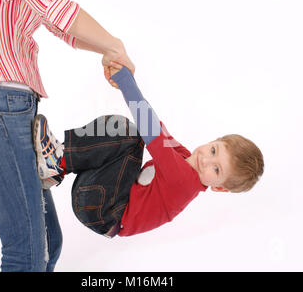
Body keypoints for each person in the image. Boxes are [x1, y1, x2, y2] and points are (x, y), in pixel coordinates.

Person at [0, 0, 134, 272]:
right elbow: (55, 6)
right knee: (26, 255)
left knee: (49, 245)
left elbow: (57, 24)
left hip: (10, 109)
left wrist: (106, 50)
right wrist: (115, 45)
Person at [33, 65, 265, 238]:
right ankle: (57, 167)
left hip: (103, 210)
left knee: (130, 135)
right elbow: (159, 129)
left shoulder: (185, 181)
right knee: (124, 130)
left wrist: (126, 80)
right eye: (213, 150)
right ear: (214, 140)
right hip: (102, 201)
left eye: (216, 169)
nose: (206, 160)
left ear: (220, 187)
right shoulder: (186, 158)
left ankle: (59, 162)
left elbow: (150, 130)